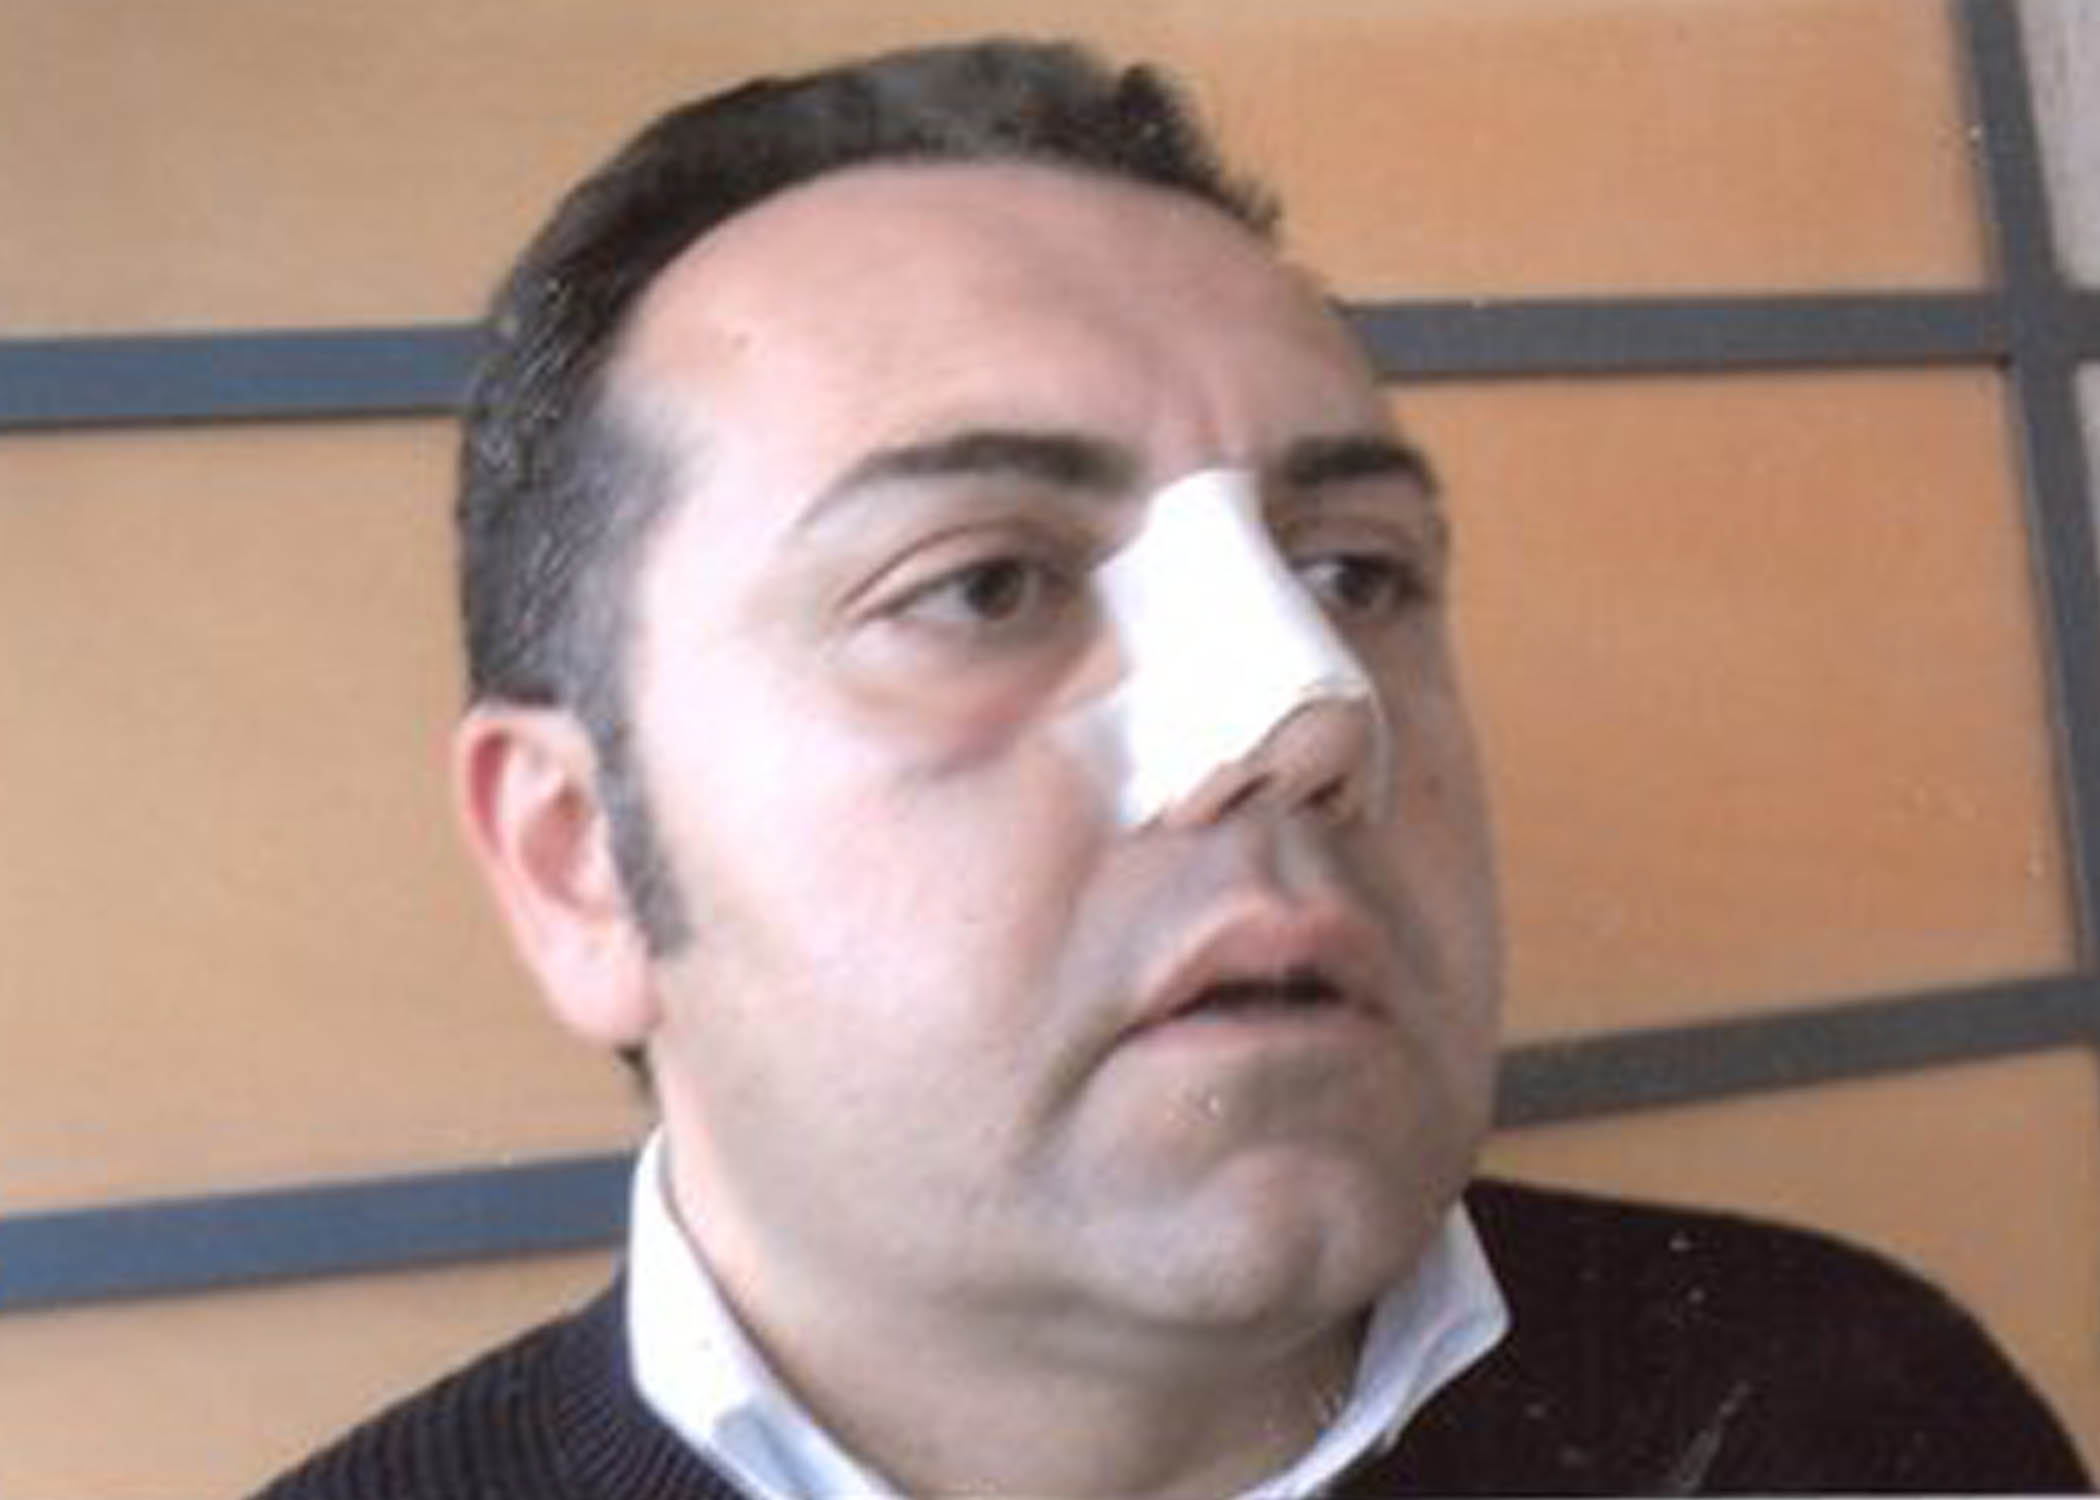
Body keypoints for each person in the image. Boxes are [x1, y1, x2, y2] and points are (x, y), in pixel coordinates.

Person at [255, 38, 2089, 1499]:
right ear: (577, 858)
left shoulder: (1851, 1414)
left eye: (1356, 575)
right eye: (985, 586)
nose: (1308, 717)